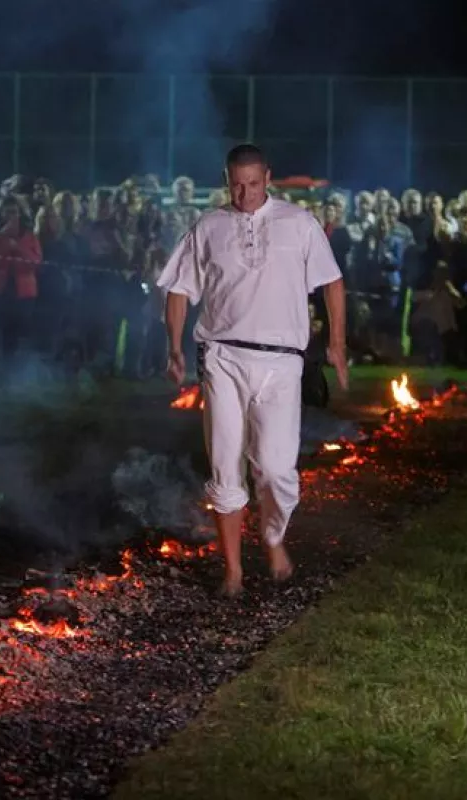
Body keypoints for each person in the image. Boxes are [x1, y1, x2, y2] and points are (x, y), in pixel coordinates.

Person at [157, 143, 348, 597]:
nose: (245, 195)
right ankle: (233, 572)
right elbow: (179, 288)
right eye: (237, 185)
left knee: (276, 469)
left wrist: (337, 343)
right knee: (226, 464)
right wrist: (174, 348)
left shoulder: (298, 223)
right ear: (226, 181)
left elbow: (332, 281)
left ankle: (273, 536)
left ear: (269, 178)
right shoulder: (209, 226)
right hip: (223, 356)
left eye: (254, 184)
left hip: (282, 361)